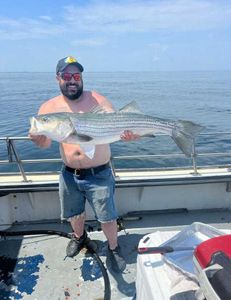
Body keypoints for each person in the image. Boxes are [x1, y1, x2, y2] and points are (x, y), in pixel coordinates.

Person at [29, 56, 139, 273]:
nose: (72, 80)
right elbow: (44, 144)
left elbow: (116, 122)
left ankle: (114, 247)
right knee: (74, 213)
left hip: (99, 174)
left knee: (107, 216)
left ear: (81, 78)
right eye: (67, 75)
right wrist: (38, 137)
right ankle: (79, 238)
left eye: (76, 76)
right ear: (58, 78)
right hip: (69, 174)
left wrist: (130, 133)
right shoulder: (49, 107)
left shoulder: (97, 99)